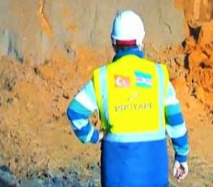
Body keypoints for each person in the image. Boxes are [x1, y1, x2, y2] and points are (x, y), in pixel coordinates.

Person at [66, 10, 190, 187]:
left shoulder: (103, 78)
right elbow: (175, 120)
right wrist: (181, 156)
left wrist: (94, 136)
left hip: (117, 177)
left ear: (113, 43)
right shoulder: (158, 75)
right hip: (154, 175)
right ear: (141, 41)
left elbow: (75, 112)